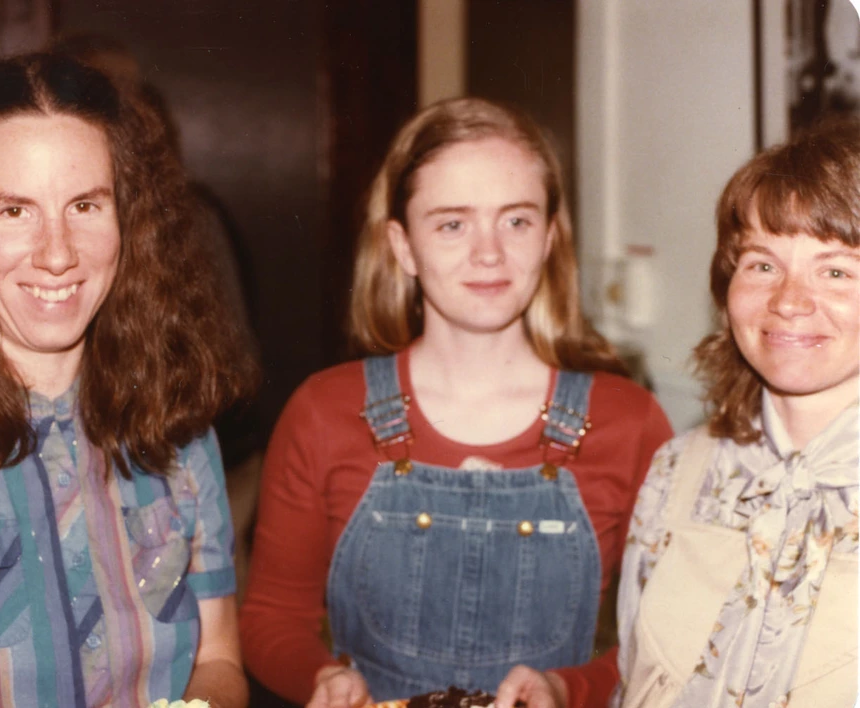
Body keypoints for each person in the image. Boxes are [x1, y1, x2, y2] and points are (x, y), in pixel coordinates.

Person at [0, 53, 255, 707]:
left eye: (85, 204)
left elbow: (220, 660)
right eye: (13, 211)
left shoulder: (181, 439)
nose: (58, 252)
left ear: (130, 222)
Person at [238, 97, 673, 708]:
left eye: (516, 221)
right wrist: (321, 678)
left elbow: (663, 641)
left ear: (550, 236)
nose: (489, 253)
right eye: (452, 224)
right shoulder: (323, 412)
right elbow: (271, 617)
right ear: (403, 246)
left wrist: (569, 688)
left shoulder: (629, 423)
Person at [498, 118, 860, 708]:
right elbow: (632, 680)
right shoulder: (677, 471)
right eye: (763, 265)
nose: (789, 300)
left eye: (837, 271)